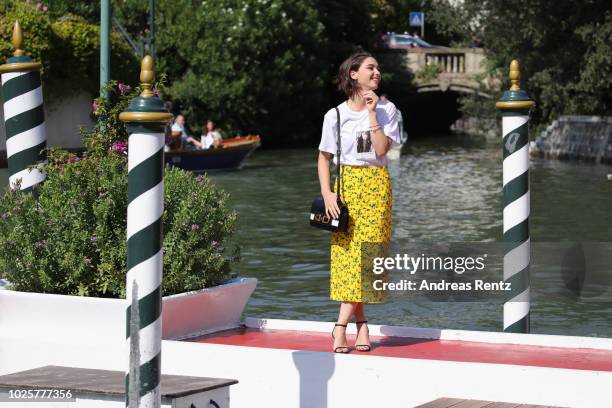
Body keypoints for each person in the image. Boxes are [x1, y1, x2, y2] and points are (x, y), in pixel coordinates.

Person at [317, 52, 400, 353]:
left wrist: (372, 113)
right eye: (370, 67)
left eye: (378, 68)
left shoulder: (388, 110)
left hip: (376, 186)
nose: (377, 72)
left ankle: (340, 326)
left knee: (369, 258)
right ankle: (361, 323)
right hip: (345, 188)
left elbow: (381, 150)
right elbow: (324, 158)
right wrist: (327, 193)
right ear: (353, 74)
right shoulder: (334, 115)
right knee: (348, 259)